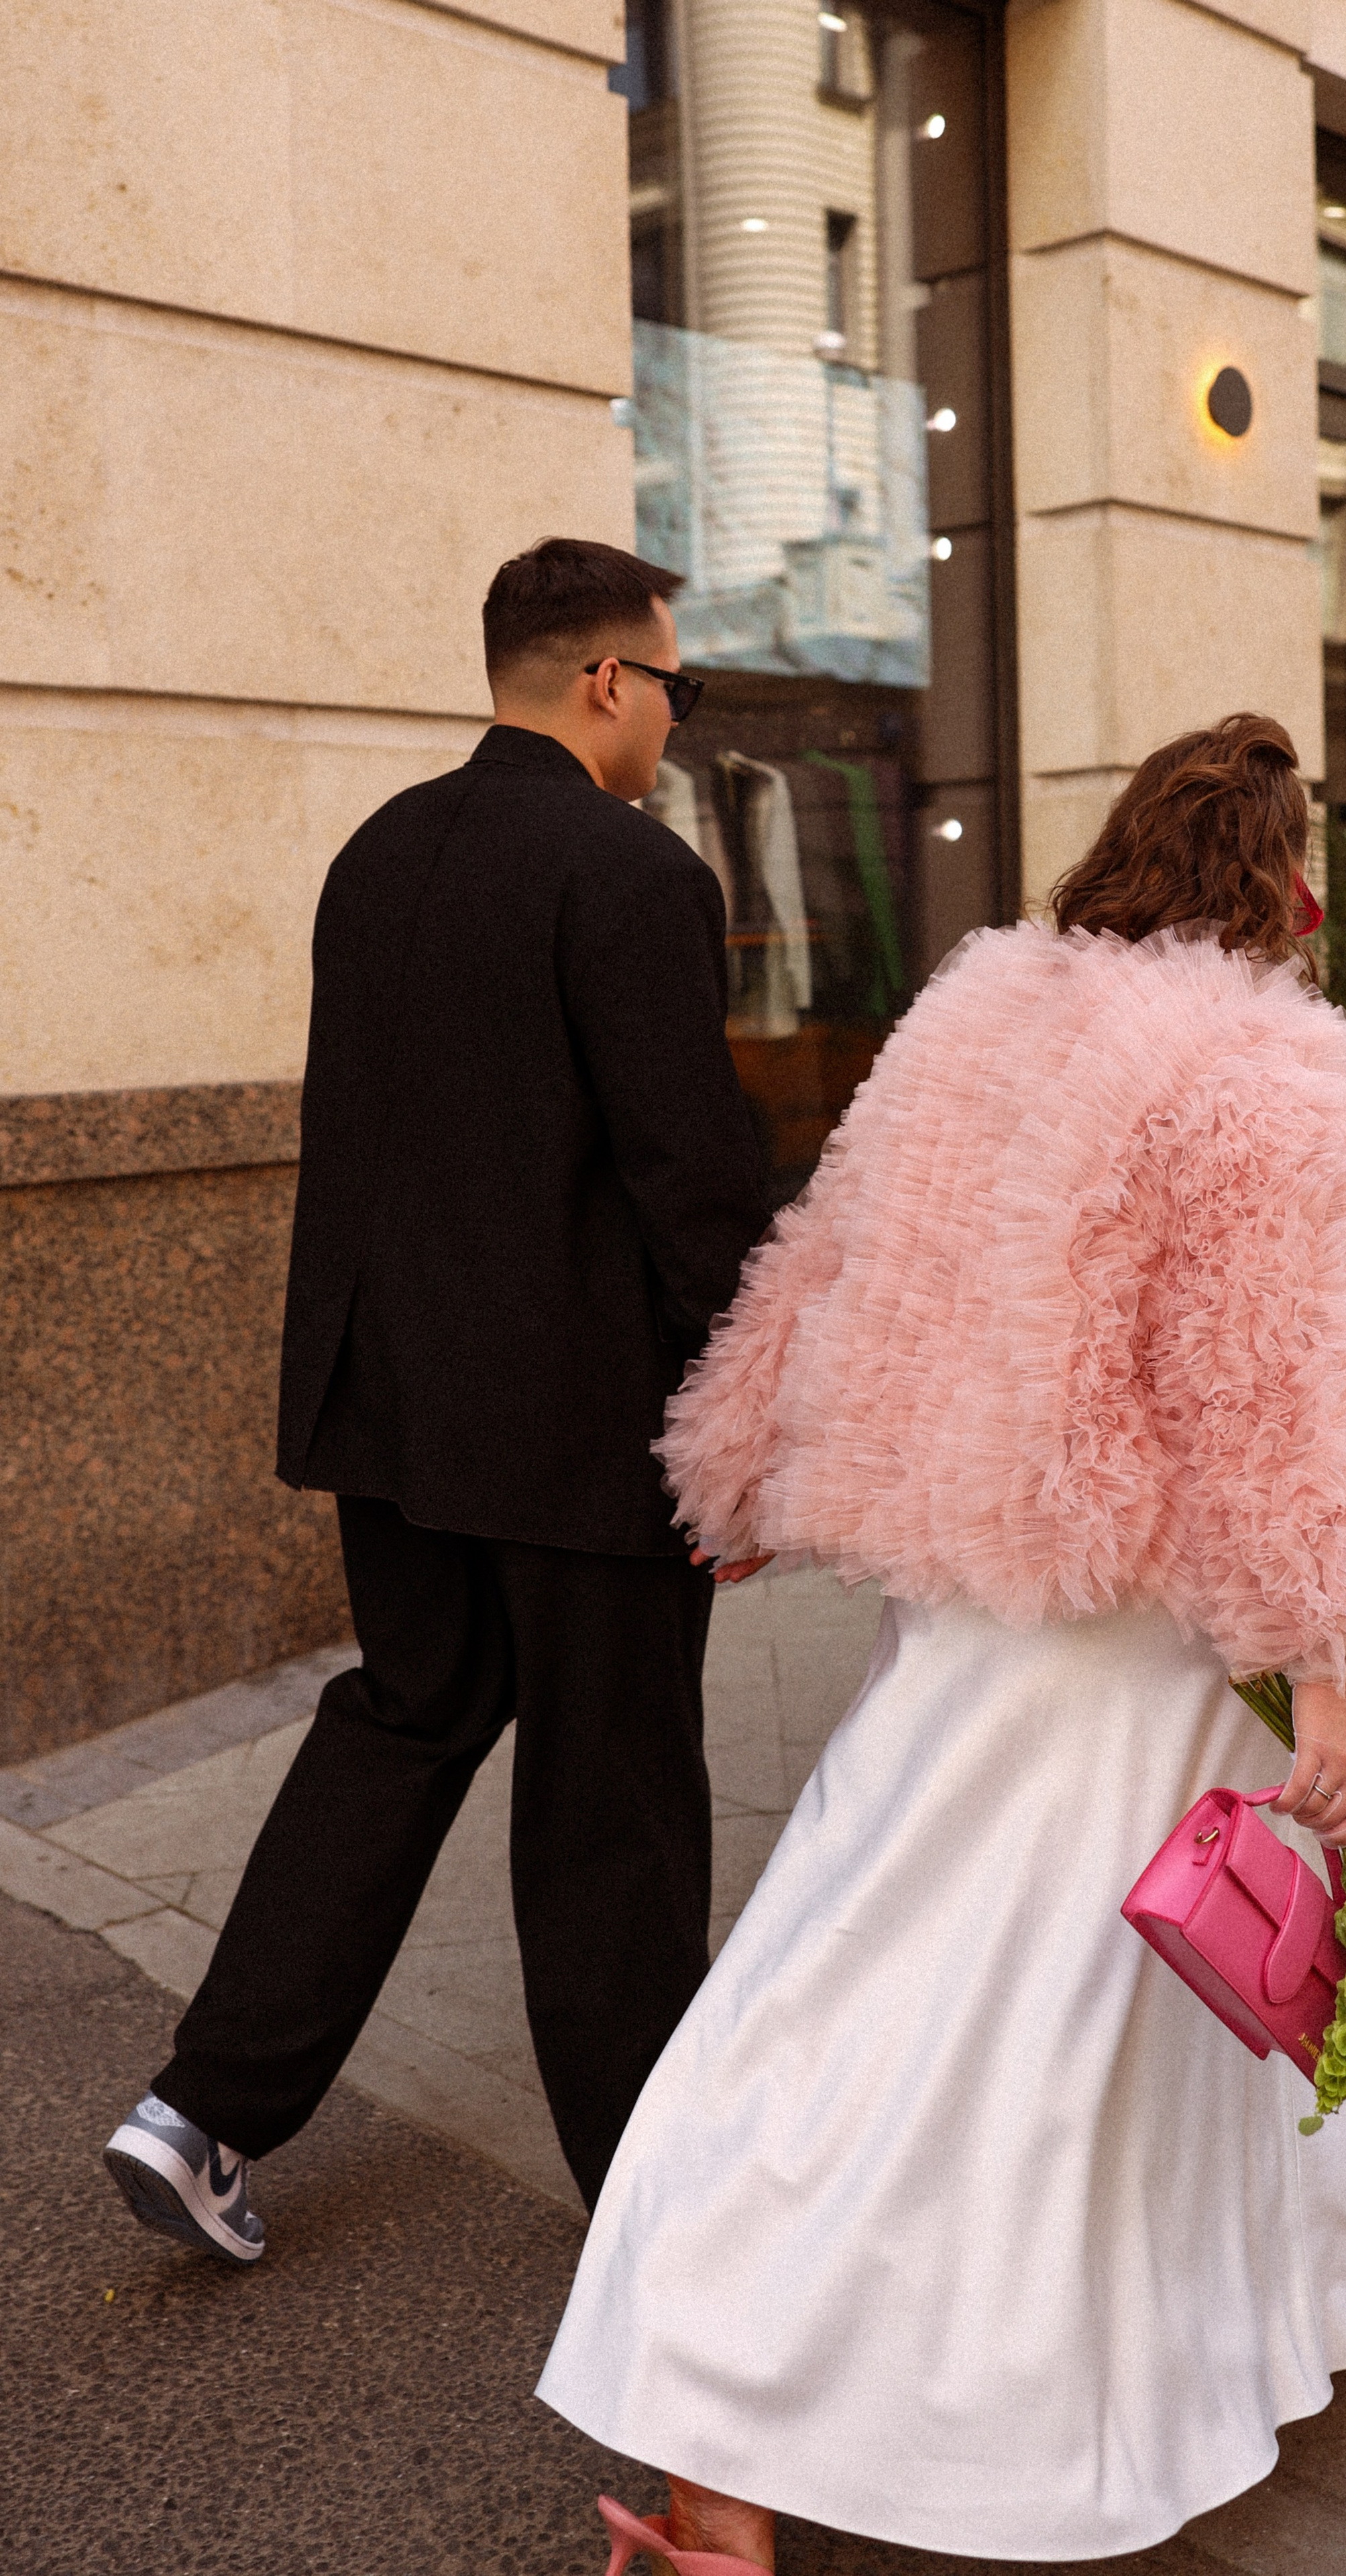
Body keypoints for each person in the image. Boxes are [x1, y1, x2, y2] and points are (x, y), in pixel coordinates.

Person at [535, 714, 1346, 2573]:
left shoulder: (974, 1017)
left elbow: (822, 1256)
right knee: (1163, 1994)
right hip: (1143, 1622)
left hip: (964, 1592)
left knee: (848, 1976)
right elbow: (1281, 1394)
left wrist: (736, 1474)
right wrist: (1326, 1661)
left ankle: (720, 2450)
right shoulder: (1275, 1071)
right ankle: (1192, 2350)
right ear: (1290, 888)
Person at [103, 537, 769, 2263]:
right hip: (573, 1423)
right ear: (607, 681)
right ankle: (658, 2220)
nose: (673, 727)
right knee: (608, 1800)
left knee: (404, 1721)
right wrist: (769, 1401)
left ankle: (199, 2107)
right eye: (673, 689)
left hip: (388, 1406)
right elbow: (687, 1174)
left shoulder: (375, 854)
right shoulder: (630, 872)